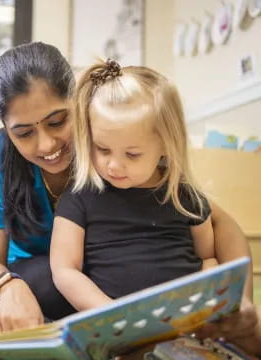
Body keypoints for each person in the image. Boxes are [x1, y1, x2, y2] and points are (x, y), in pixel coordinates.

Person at [0, 42, 260, 350]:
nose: (45, 145)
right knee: (38, 278)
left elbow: (217, 225)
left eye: (58, 122)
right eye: (24, 133)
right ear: (5, 127)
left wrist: (241, 299)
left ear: (80, 105)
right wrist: (8, 287)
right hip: (56, 285)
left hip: (126, 282)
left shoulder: (107, 143)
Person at [50, 59, 217, 311]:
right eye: (103, 149)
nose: (114, 165)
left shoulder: (186, 198)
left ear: (165, 146)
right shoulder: (79, 198)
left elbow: (207, 258)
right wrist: (113, 315)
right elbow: (64, 270)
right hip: (114, 328)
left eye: (132, 154)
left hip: (184, 321)